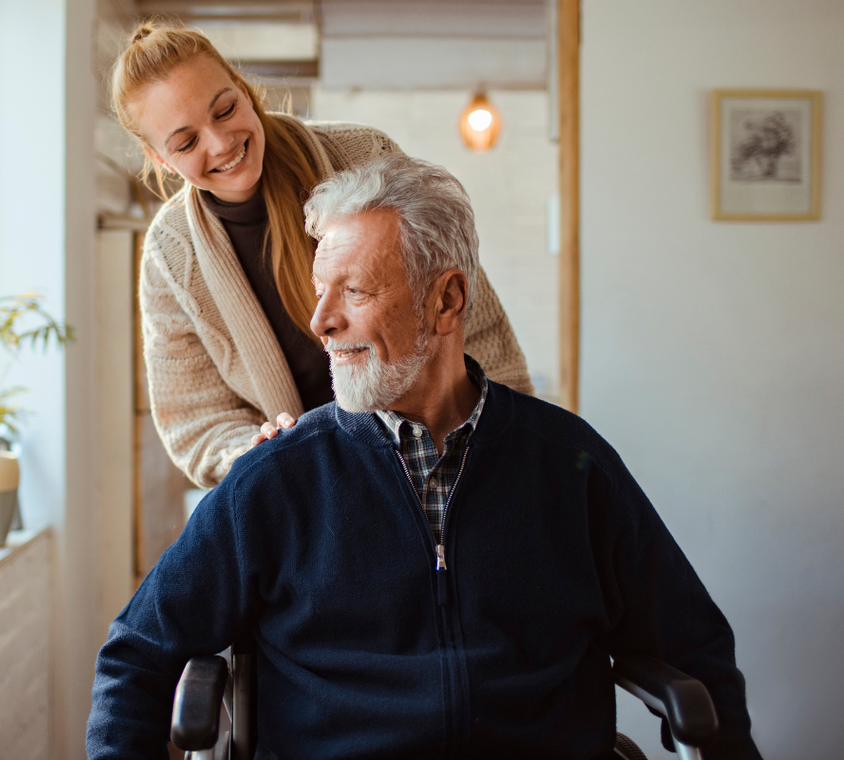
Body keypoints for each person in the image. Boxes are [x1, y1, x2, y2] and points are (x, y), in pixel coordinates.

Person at [86, 155, 761, 760]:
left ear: (447, 301)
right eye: (320, 291)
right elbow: (137, 656)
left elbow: (693, 648)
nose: (320, 321)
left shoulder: (569, 464)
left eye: (352, 292)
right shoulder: (280, 477)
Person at [112, 22, 534, 488]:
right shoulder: (169, 255)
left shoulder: (364, 155)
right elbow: (196, 420)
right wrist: (251, 450)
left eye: (226, 109)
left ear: (244, 89)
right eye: (186, 142)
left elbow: (467, 315)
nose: (220, 143)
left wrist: (509, 440)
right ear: (161, 160)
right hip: (309, 490)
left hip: (438, 456)